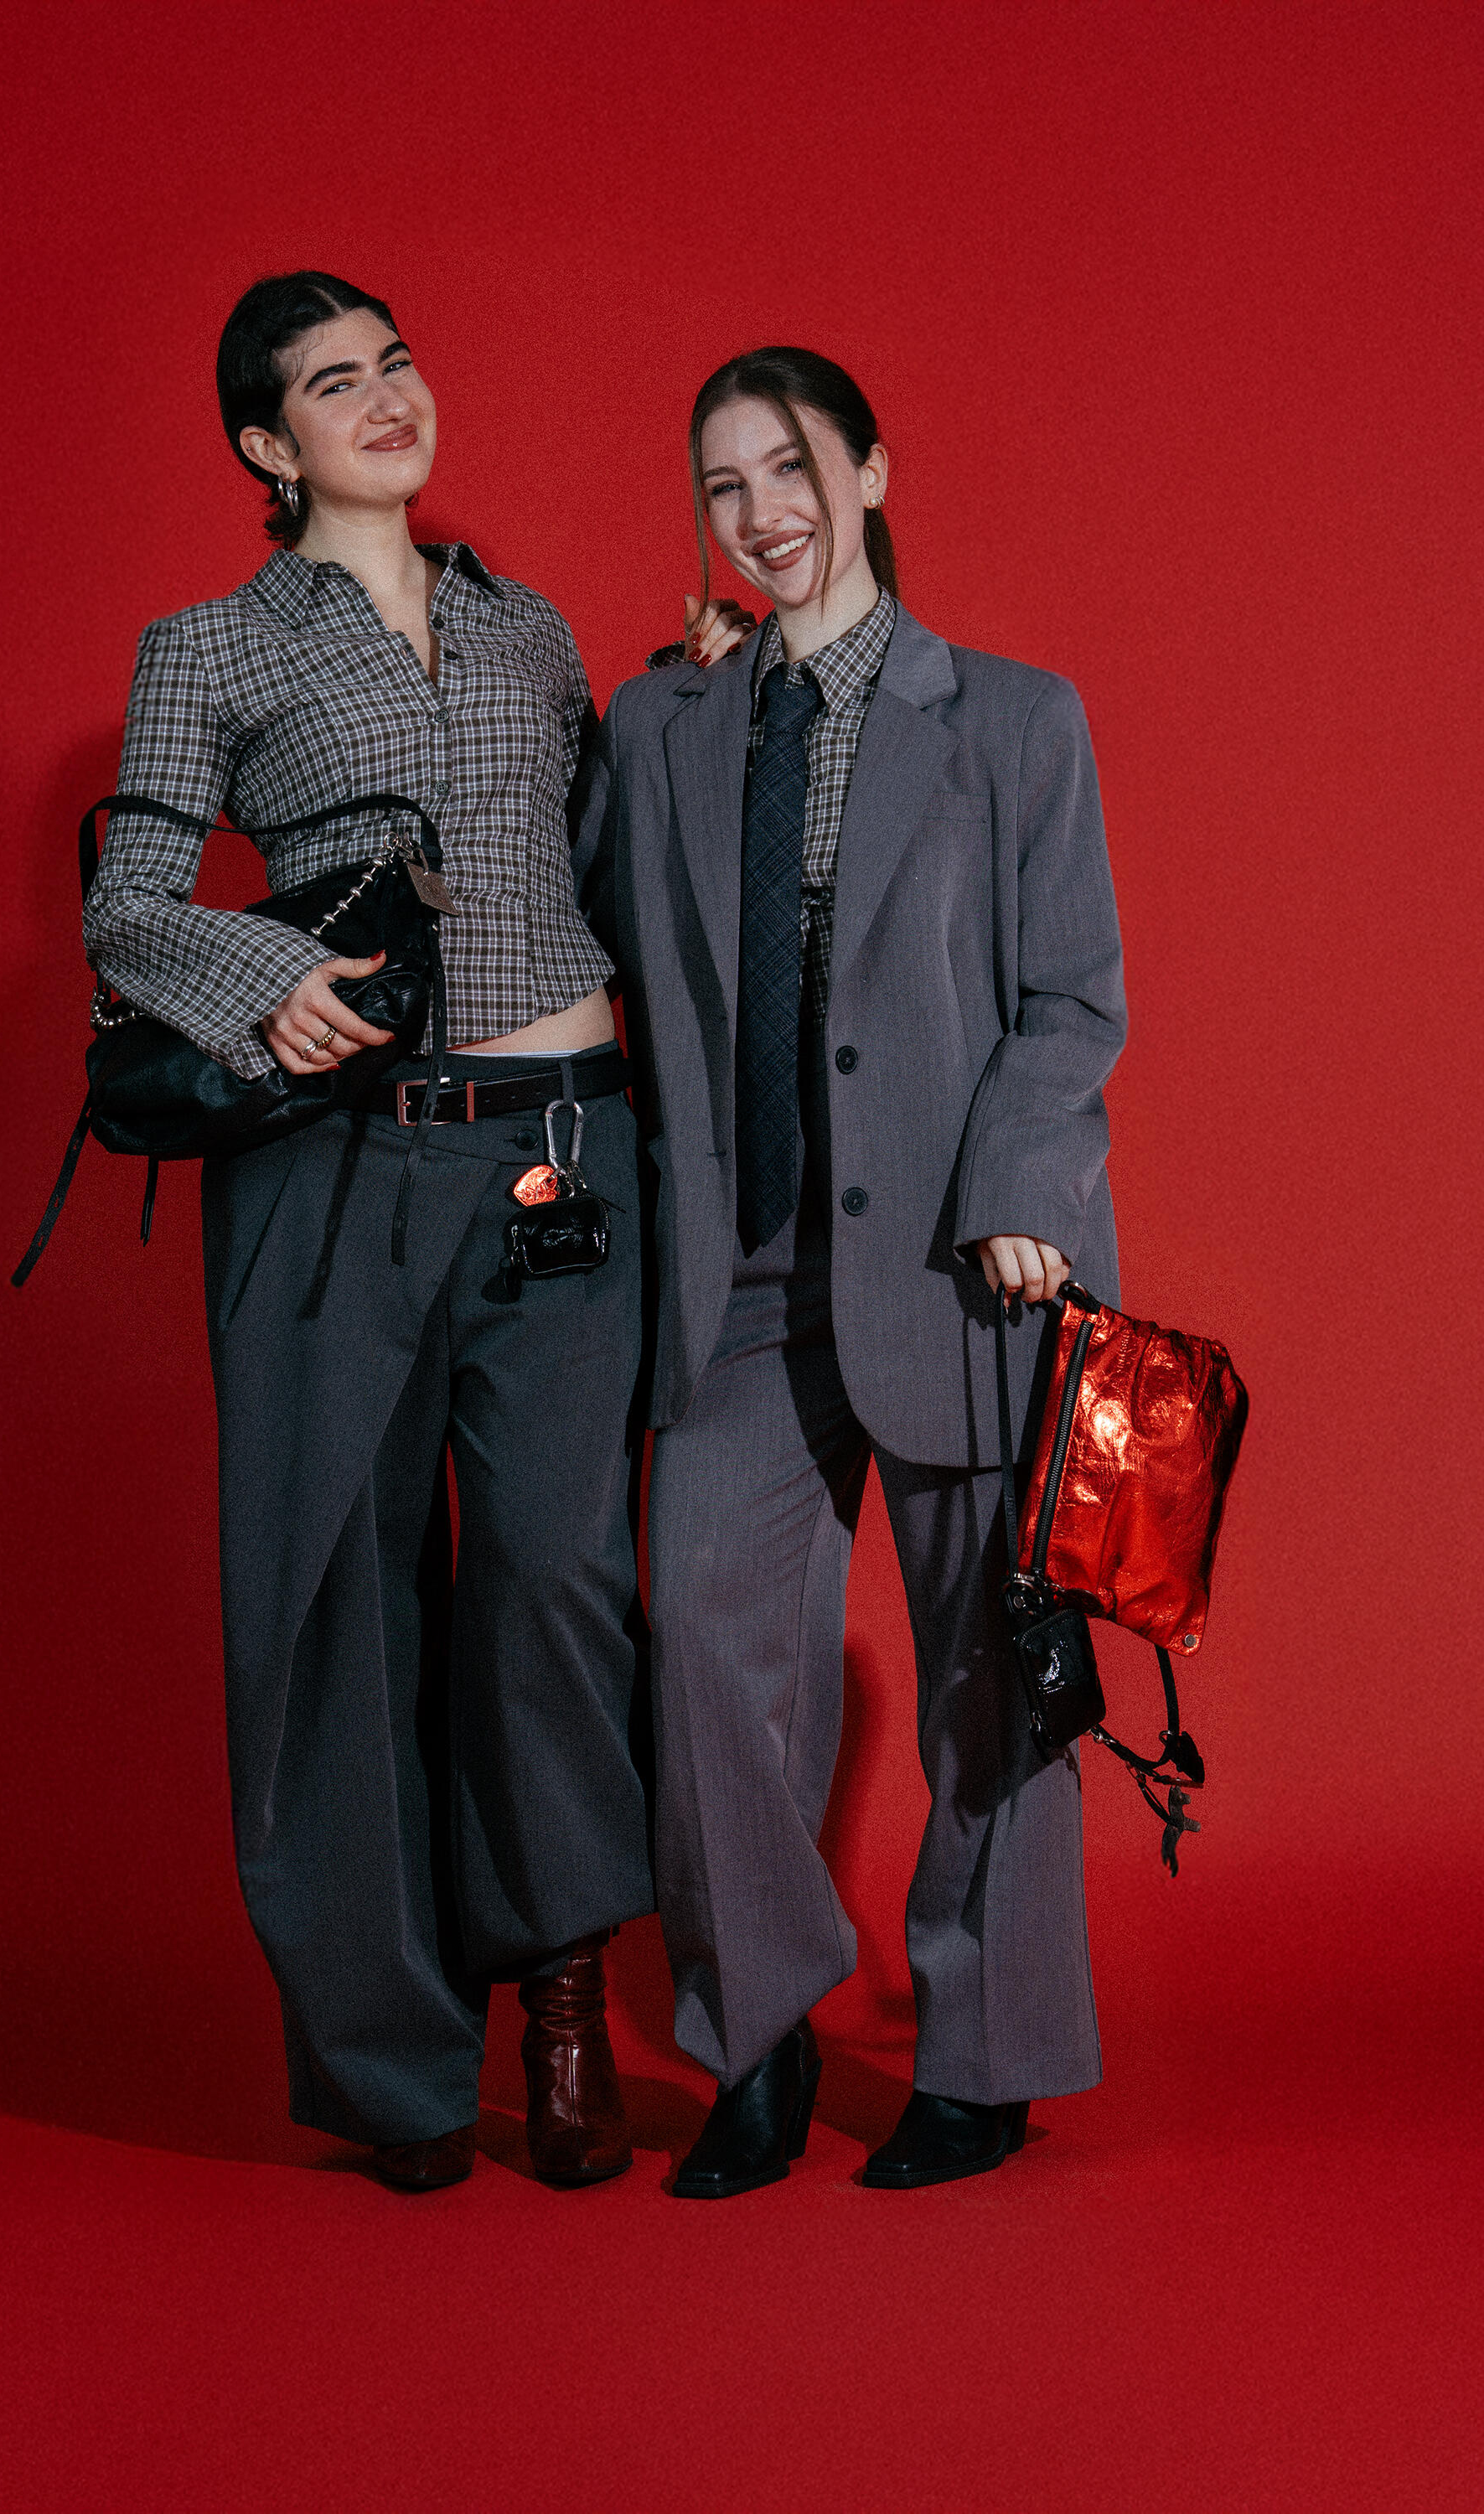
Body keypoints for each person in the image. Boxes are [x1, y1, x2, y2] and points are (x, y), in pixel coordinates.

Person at [85, 272, 669, 2191]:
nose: (386, 398)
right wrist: (268, 980)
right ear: (270, 443)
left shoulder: (532, 627)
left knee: (554, 1578)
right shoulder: (208, 647)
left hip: (564, 1154)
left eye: (397, 361)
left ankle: (562, 1997)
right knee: (338, 1601)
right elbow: (127, 904)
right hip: (339, 1172)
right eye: (336, 384)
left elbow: (616, 870)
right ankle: (396, 2062)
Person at [573, 346, 1127, 2197]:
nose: (760, 514)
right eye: (721, 487)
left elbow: (1070, 999)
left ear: (872, 471)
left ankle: (987, 2053)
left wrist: (1023, 1181)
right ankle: (755, 2040)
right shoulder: (662, 726)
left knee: (991, 1668)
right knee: (706, 1654)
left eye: (791, 468)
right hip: (740, 1267)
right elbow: (578, 925)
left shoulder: (1014, 720)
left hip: (966, 1267)